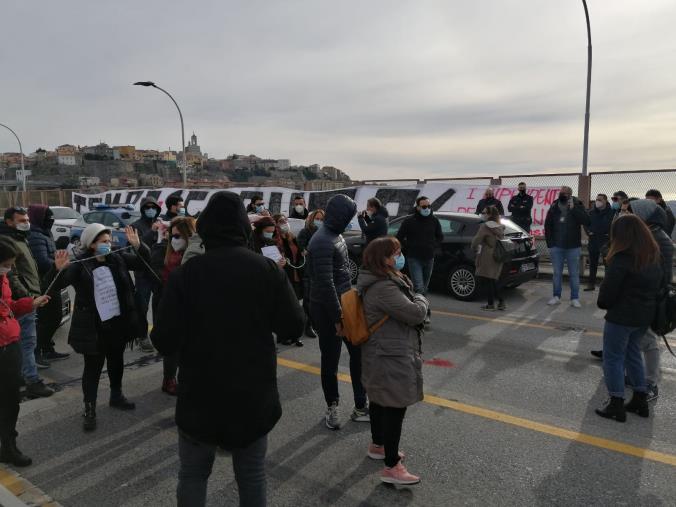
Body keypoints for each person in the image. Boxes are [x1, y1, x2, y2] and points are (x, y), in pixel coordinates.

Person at [150, 191, 304, 507]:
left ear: (204, 229)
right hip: (252, 395)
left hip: (199, 395)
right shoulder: (267, 270)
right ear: (243, 229)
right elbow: (293, 326)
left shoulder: (185, 276)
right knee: (252, 477)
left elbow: (164, 340)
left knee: (192, 475)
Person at [48, 224, 149, 432]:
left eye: (109, 240)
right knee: (92, 369)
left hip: (118, 323)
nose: (109, 244)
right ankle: (89, 408)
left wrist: (139, 247)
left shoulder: (118, 258)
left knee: (116, 362)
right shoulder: (79, 264)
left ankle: (116, 395)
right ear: (92, 244)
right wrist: (56, 270)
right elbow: (56, 285)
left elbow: (142, 264)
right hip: (94, 326)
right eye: (104, 241)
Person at [357, 237, 429, 485]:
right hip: (389, 354)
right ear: (382, 259)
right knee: (395, 406)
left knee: (379, 400)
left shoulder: (381, 279)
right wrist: (421, 297)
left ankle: (378, 446)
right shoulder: (383, 287)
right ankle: (391, 467)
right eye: (395, 253)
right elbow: (415, 313)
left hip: (382, 351)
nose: (400, 256)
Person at [306, 194, 368, 429]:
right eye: (348, 215)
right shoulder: (322, 240)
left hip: (343, 302)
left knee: (358, 355)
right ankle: (332, 407)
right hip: (327, 309)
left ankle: (361, 405)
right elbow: (324, 284)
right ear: (340, 214)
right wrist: (338, 318)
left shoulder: (335, 234)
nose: (349, 220)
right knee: (330, 360)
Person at [595, 215, 662, 422]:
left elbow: (606, 295)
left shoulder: (622, 258)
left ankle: (616, 403)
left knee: (613, 358)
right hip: (643, 317)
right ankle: (640, 398)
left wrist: (605, 303)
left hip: (621, 317)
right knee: (633, 355)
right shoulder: (652, 256)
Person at [0, 238, 51, 468]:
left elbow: (9, 304)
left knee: (11, 399)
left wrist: (31, 303)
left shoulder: (3, 279)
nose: (9, 270)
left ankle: (8, 445)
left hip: (10, 344)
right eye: (6, 265)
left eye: (10, 265)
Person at [0, 207, 53, 398]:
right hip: (22, 300)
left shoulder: (21, 238)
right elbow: (13, 276)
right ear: (9, 222)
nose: (26, 222)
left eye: (27, 219)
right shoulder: (7, 243)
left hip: (27, 300)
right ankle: (32, 380)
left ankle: (24, 375)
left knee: (24, 343)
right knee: (27, 343)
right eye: (21, 220)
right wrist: (28, 297)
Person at [626, 199, 673, 402]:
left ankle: (651, 382)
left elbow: (662, 273)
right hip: (641, 296)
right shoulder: (648, 234)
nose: (630, 216)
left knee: (648, 340)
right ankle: (638, 376)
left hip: (650, 297)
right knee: (635, 339)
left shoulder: (659, 238)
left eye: (633, 212)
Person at [151, 217, 197, 395]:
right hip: (168, 303)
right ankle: (168, 379)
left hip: (190, 304)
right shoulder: (164, 249)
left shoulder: (196, 253)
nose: (175, 239)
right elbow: (154, 270)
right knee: (172, 345)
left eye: (179, 236)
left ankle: (188, 378)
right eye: (173, 235)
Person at [27, 205, 69, 363]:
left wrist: (60, 246)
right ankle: (37, 352)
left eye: (52, 218)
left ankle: (47, 348)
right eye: (47, 217)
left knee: (55, 317)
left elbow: (50, 253)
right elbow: (42, 262)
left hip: (53, 280)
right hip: (43, 284)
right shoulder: (34, 236)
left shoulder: (45, 233)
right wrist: (60, 264)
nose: (51, 220)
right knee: (48, 319)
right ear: (39, 218)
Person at [544, 186, 591, 308]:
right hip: (557, 246)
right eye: (561, 192)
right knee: (557, 273)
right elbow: (547, 224)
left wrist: (574, 209)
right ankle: (556, 296)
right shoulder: (554, 205)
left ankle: (574, 298)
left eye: (565, 193)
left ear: (570, 194)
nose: (562, 194)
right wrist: (550, 243)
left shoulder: (577, 204)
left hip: (573, 246)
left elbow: (586, 220)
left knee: (574, 274)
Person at [131, 196, 164, 353]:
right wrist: (152, 232)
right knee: (141, 307)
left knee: (159, 306)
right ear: (143, 209)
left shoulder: (162, 223)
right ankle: (142, 336)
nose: (150, 209)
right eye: (147, 207)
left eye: (153, 207)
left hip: (158, 273)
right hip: (143, 273)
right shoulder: (136, 226)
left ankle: (158, 335)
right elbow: (135, 248)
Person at [396, 196, 443, 301]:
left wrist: (433, 245)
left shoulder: (434, 220)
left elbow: (440, 237)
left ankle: (421, 307)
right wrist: (409, 246)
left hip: (429, 258)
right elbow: (399, 237)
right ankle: (419, 310)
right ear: (417, 207)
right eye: (424, 206)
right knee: (419, 287)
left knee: (424, 288)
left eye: (429, 206)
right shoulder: (409, 221)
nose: (427, 208)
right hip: (414, 258)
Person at [273, 214, 305, 347]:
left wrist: (303, 252)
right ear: (276, 224)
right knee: (285, 308)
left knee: (296, 307)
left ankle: (295, 335)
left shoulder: (292, 236)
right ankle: (283, 336)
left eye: (285, 220)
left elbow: (299, 252)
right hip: (285, 276)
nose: (285, 223)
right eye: (281, 221)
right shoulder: (276, 240)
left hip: (296, 274)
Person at [471, 206, 506, 311]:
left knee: (487, 280)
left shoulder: (485, 226)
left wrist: (473, 247)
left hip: (487, 255)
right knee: (493, 279)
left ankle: (492, 304)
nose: (483, 214)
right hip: (498, 255)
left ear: (490, 215)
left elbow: (476, 241)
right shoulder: (500, 226)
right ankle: (500, 302)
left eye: (484, 212)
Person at [297, 209, 325, 338]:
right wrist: (305, 250)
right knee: (308, 299)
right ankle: (307, 325)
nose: (319, 221)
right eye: (317, 218)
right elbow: (301, 248)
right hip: (309, 270)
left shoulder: (325, 232)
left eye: (321, 219)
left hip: (321, 269)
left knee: (318, 299)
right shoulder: (305, 231)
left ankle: (314, 323)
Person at [584, 194, 615, 291]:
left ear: (605, 201)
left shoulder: (612, 212)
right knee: (593, 263)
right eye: (597, 199)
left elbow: (615, 225)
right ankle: (591, 284)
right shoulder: (591, 212)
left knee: (607, 264)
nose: (597, 201)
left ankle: (607, 285)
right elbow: (586, 223)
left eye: (600, 200)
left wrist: (609, 235)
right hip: (593, 240)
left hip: (606, 241)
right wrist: (589, 232)